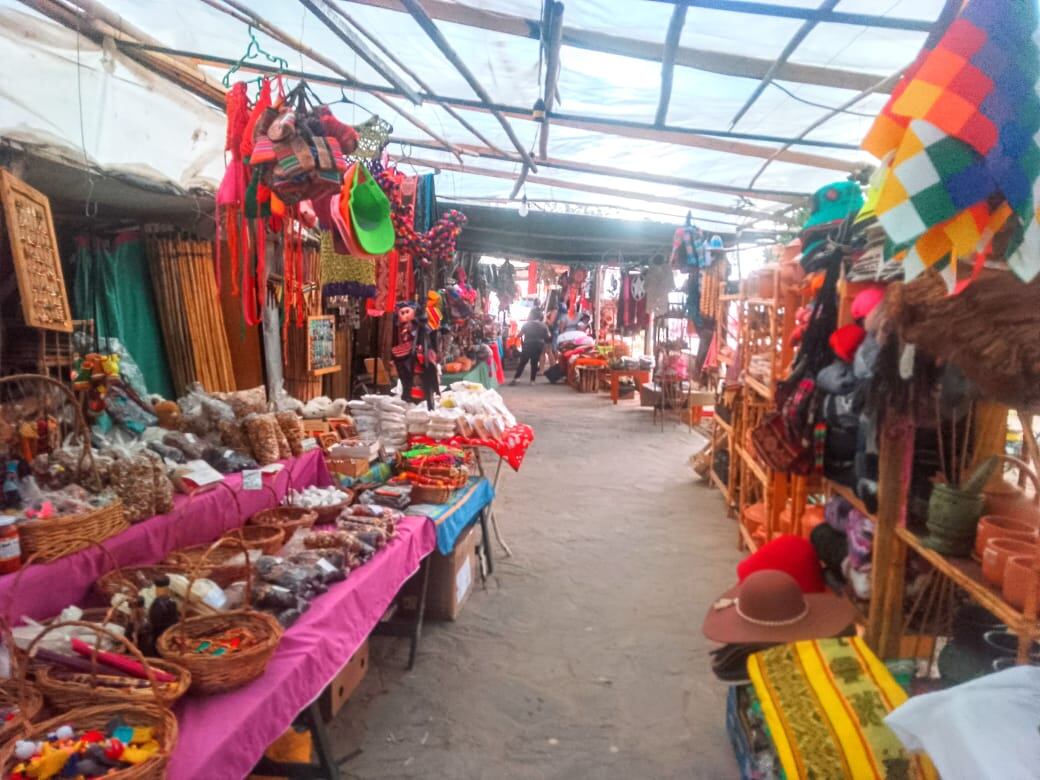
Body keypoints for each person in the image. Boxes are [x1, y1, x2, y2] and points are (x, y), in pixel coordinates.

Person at [510, 308, 551, 385]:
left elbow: (520, 335)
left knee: (523, 362)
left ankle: (516, 378)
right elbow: (548, 335)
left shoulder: (527, 324)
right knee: (534, 362)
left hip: (528, 344)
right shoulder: (543, 325)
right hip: (539, 344)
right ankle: (532, 381)